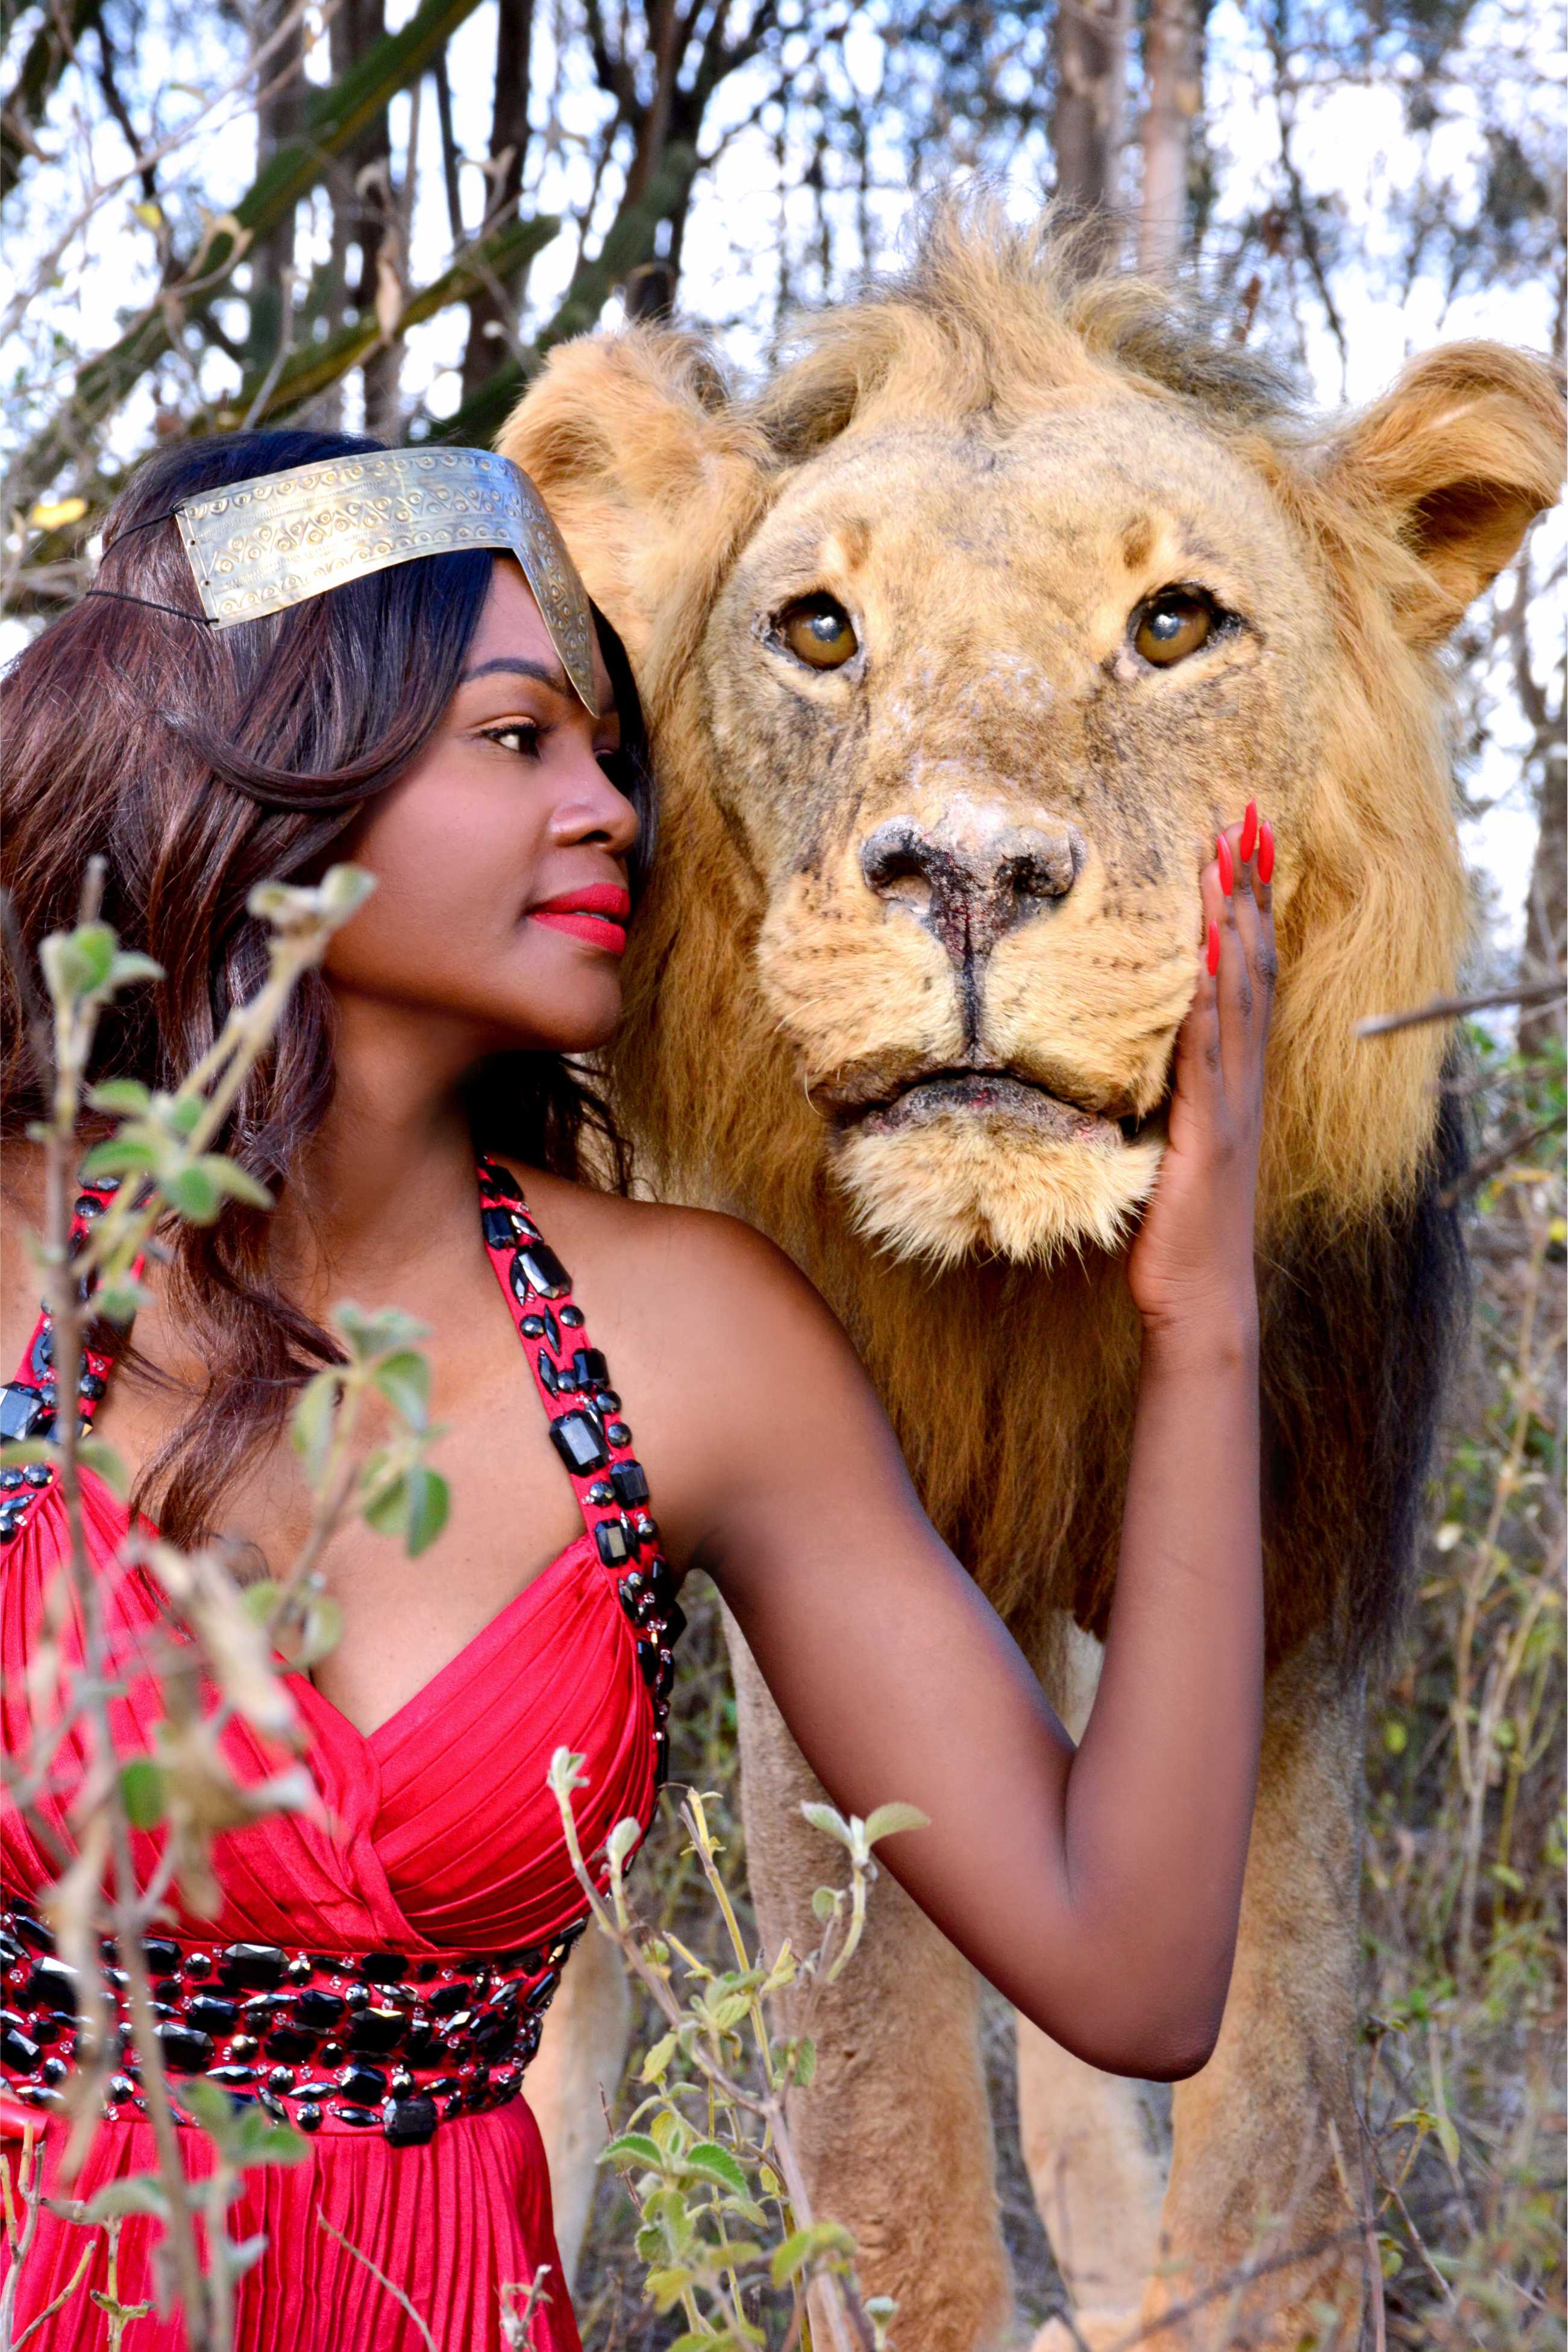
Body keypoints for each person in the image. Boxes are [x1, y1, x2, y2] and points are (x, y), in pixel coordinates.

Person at [0, 430, 1276, 2350]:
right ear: (265, 767)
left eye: (607, 754)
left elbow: (1133, 1969)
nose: (607, 809)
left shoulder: (686, 1343)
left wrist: (1203, 1322)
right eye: (519, 739)